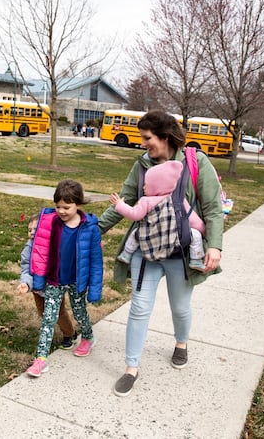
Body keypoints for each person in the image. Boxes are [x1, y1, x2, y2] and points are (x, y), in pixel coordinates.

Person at [98, 110, 223, 397]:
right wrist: (96, 230)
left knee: (180, 307)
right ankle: (131, 368)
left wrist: (214, 244)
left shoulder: (195, 162)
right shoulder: (141, 165)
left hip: (180, 252)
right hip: (147, 249)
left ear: (165, 137)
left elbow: (213, 209)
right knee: (139, 307)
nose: (143, 144)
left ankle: (181, 342)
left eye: (147, 138)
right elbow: (126, 200)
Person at [25, 179, 104, 378]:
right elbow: (40, 249)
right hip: (54, 280)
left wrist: (94, 289)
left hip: (77, 281)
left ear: (78, 204)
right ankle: (41, 359)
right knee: (48, 319)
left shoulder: (90, 228)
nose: (61, 211)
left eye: (66, 207)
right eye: (58, 206)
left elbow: (96, 261)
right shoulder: (50, 222)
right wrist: (36, 276)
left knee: (79, 313)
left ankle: (87, 337)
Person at [109, 160, 207, 270]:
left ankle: (126, 254)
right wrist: (204, 230)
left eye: (146, 185)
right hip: (174, 239)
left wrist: (120, 205)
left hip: (150, 236)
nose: (143, 187)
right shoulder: (178, 200)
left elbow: (134, 214)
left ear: (156, 186)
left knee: (135, 233)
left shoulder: (146, 201)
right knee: (196, 235)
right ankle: (196, 260)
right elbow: (191, 217)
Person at [17, 214, 79, 350]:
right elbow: (26, 269)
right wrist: (26, 284)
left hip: (54, 288)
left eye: (35, 229)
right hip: (37, 290)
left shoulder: (54, 246)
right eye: (29, 230)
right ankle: (58, 328)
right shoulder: (28, 250)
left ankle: (70, 334)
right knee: (43, 313)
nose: (32, 232)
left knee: (59, 313)